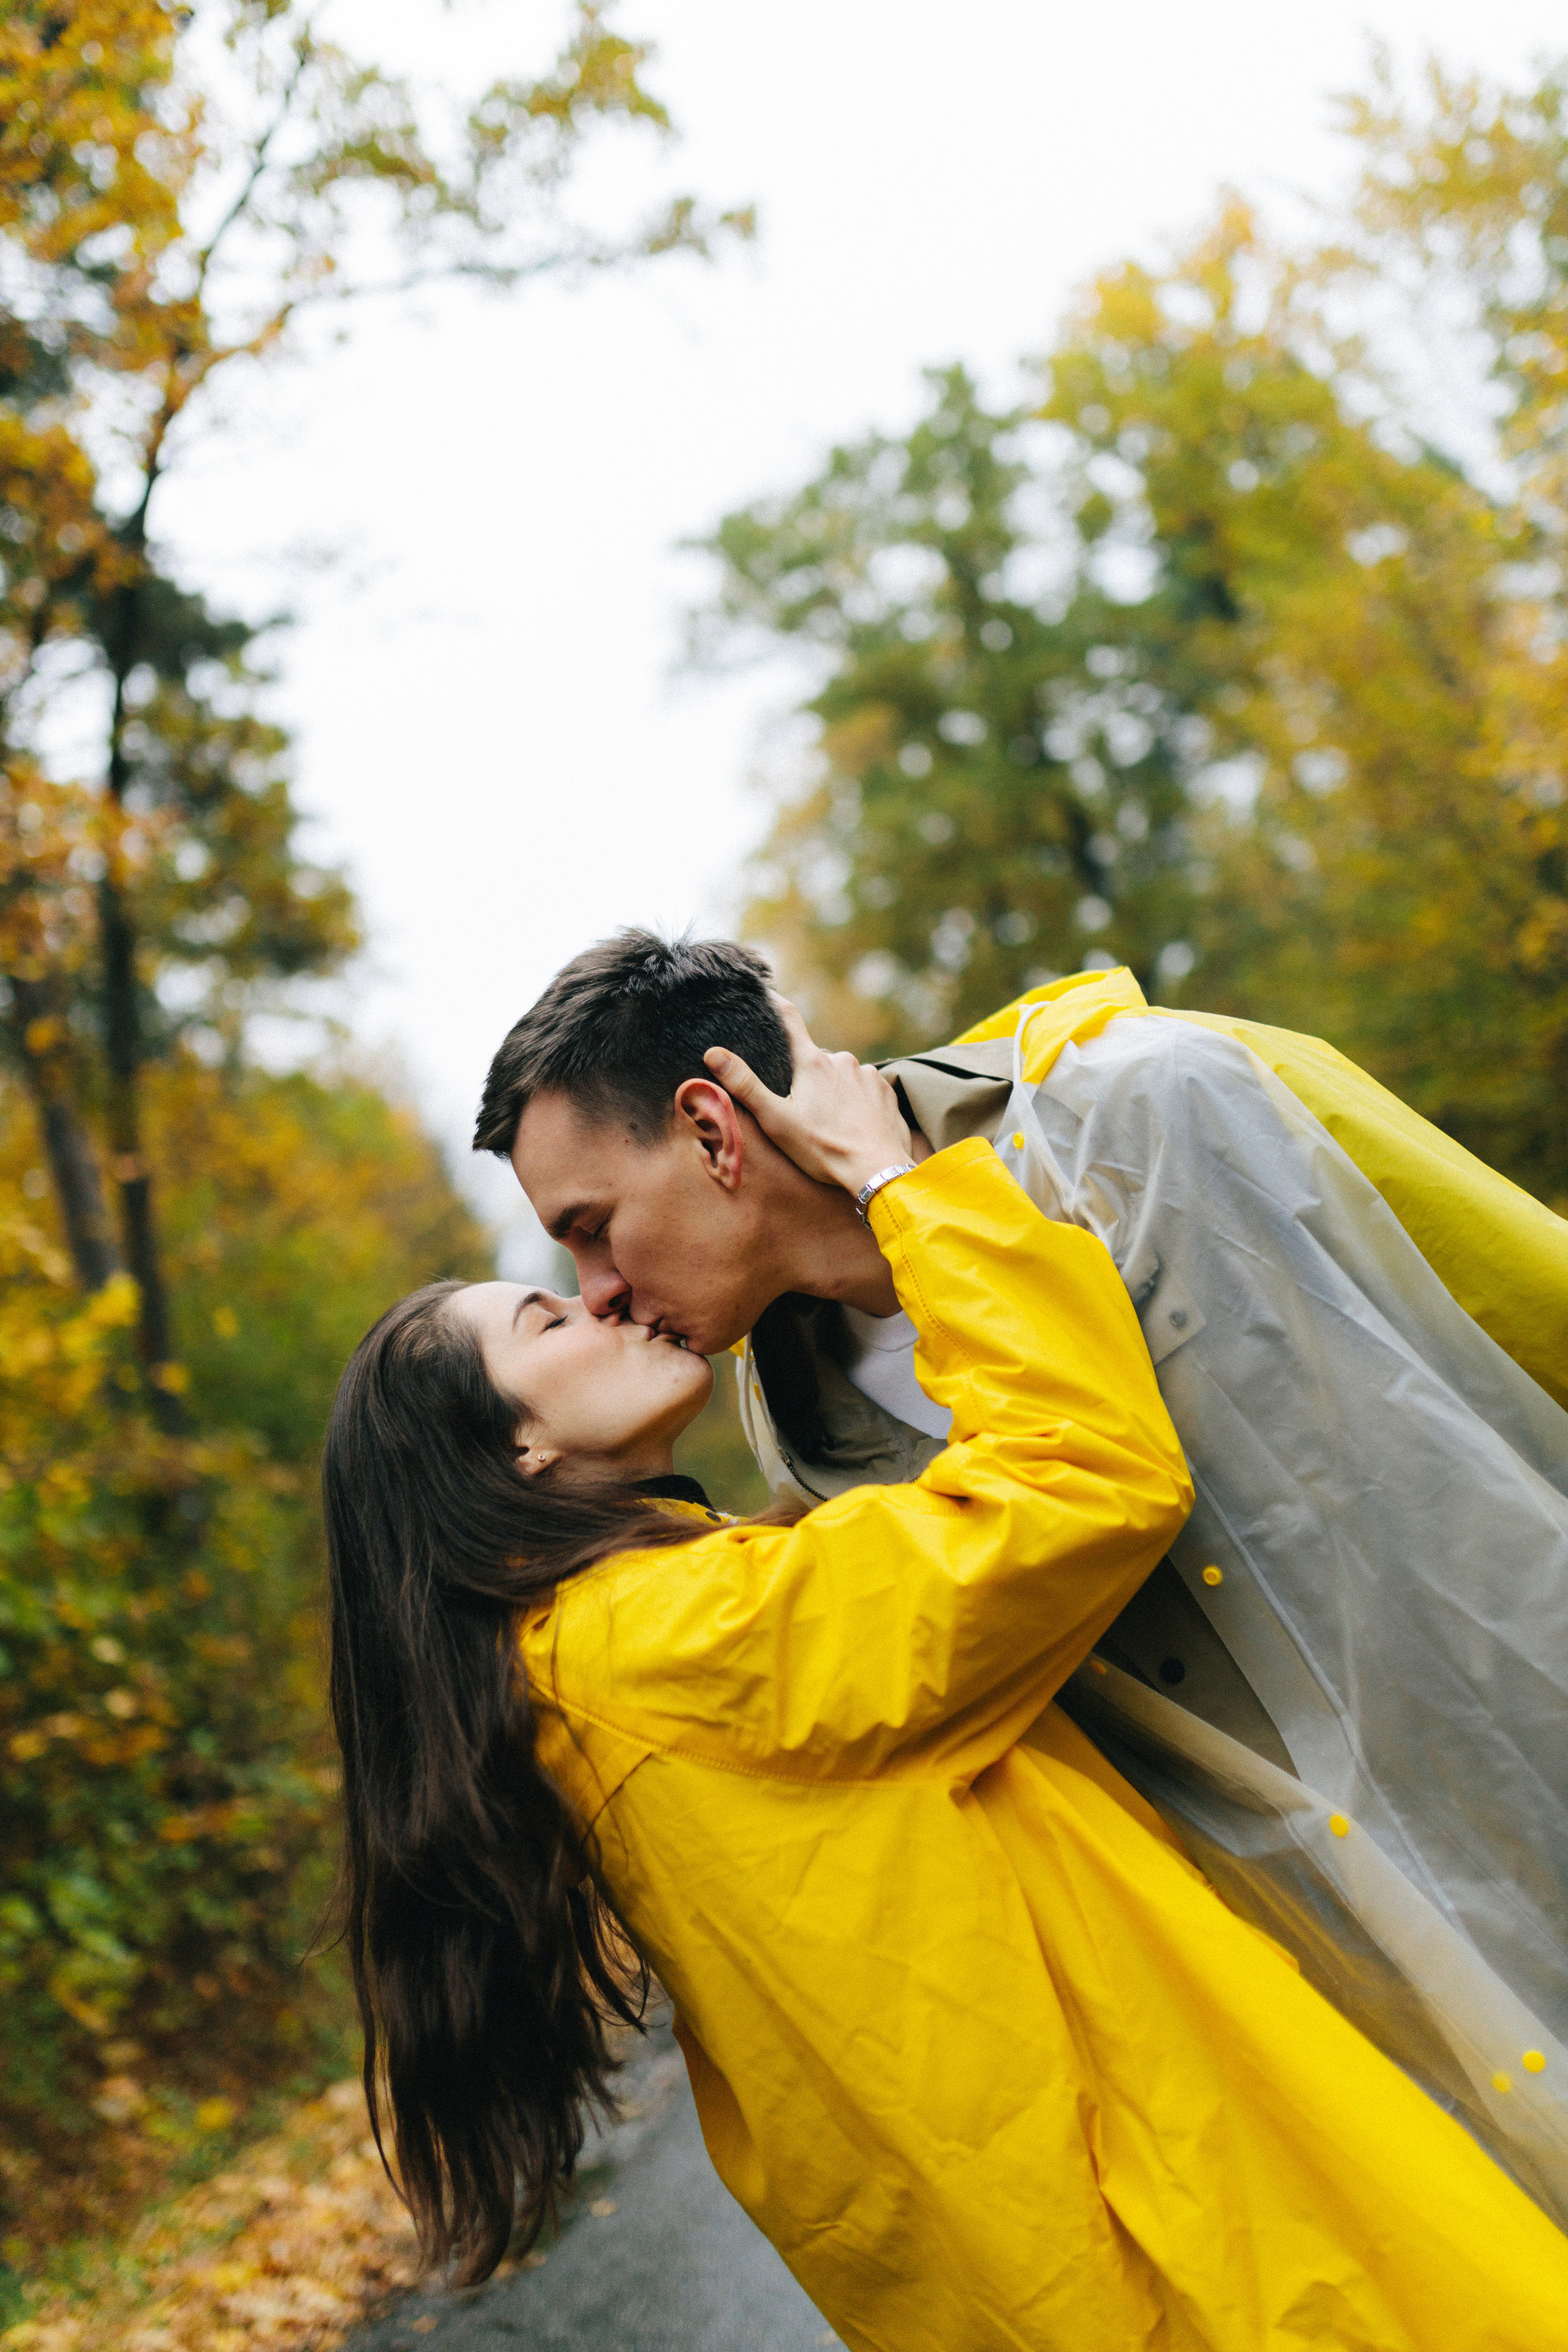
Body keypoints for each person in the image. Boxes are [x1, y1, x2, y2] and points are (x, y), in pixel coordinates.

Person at [328, 1031, 1568, 2350]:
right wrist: (900, 1186)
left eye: (588, 1240)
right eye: (547, 1313)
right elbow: (1078, 1480)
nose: (600, 1299)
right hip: (1180, 2249)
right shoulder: (666, 1647)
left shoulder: (617, 1649)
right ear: (515, 1446)